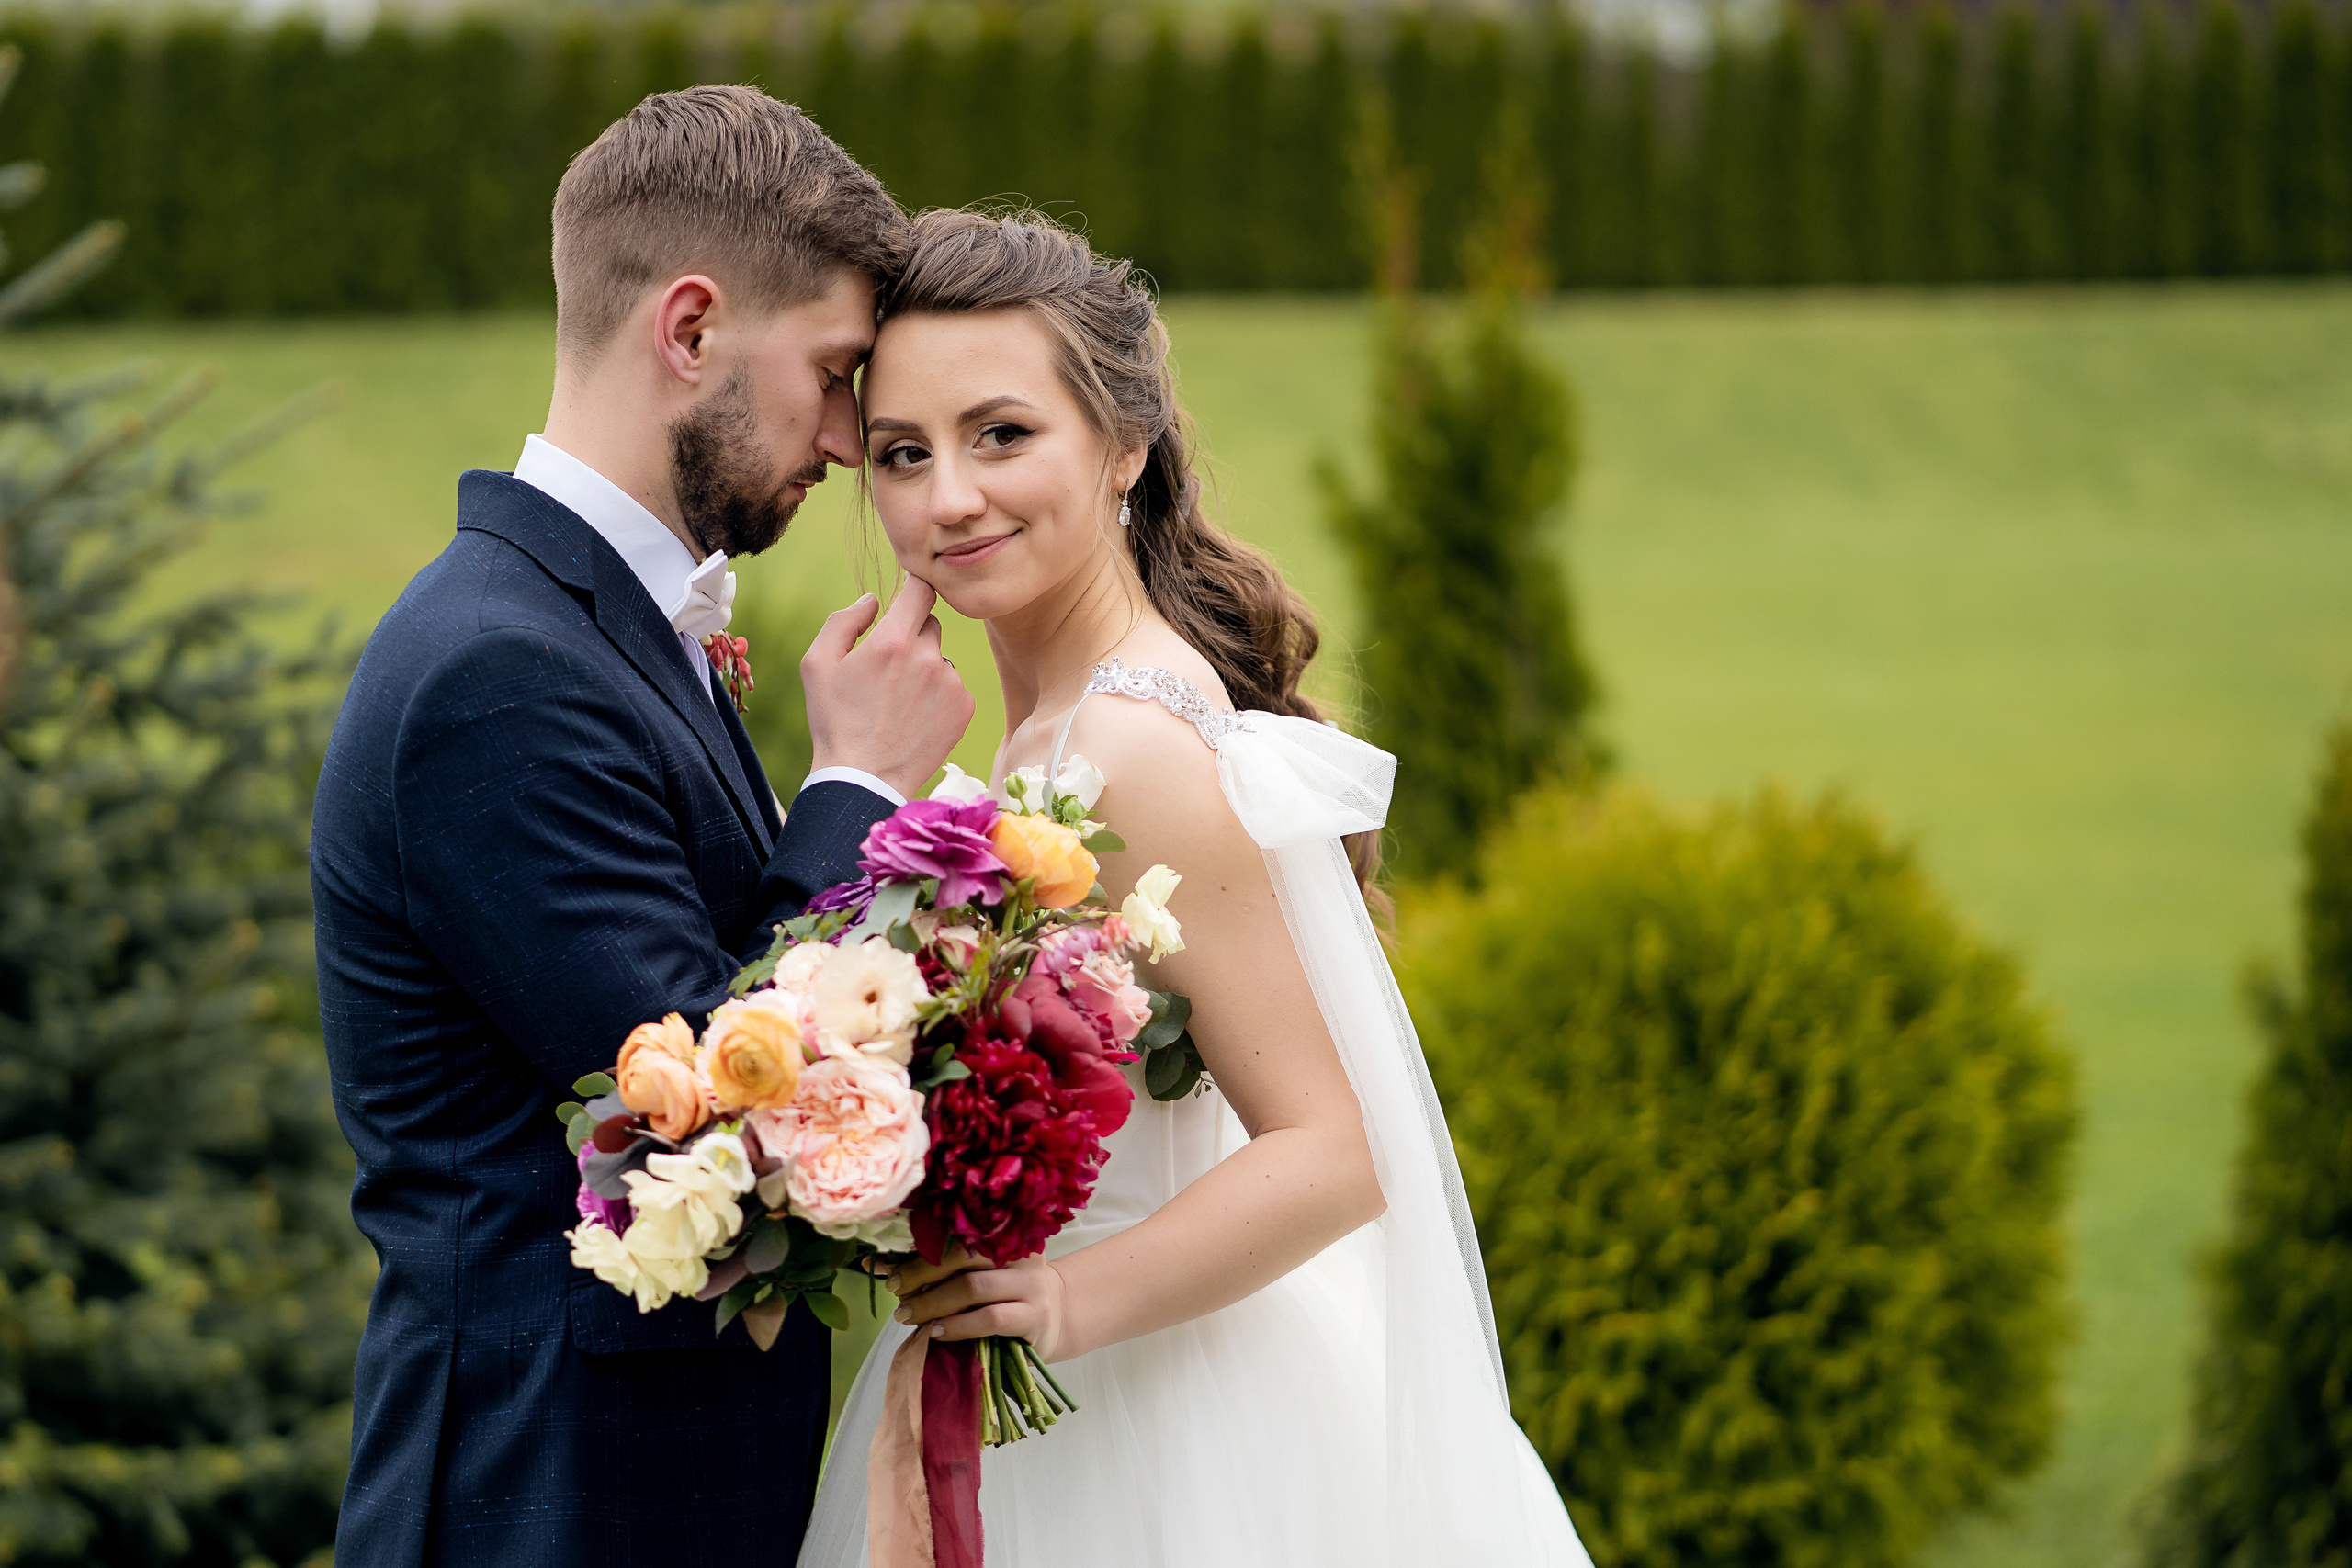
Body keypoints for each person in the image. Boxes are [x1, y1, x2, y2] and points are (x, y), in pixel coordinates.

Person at [797, 209, 1590, 1565]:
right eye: (901, 455)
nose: (947, 499)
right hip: (1033, 1373)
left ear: (1123, 444)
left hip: (1150, 1418)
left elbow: (1335, 1153)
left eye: (1002, 435)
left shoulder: (1130, 748)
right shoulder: (1045, 741)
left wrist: (1053, 1303)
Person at [310, 88, 969, 1567]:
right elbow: (710, 1100)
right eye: (835, 372)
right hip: (542, 1499)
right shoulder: (497, 672)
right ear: (689, 331)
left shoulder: (592, 632)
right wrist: (856, 793)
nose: (854, 441)